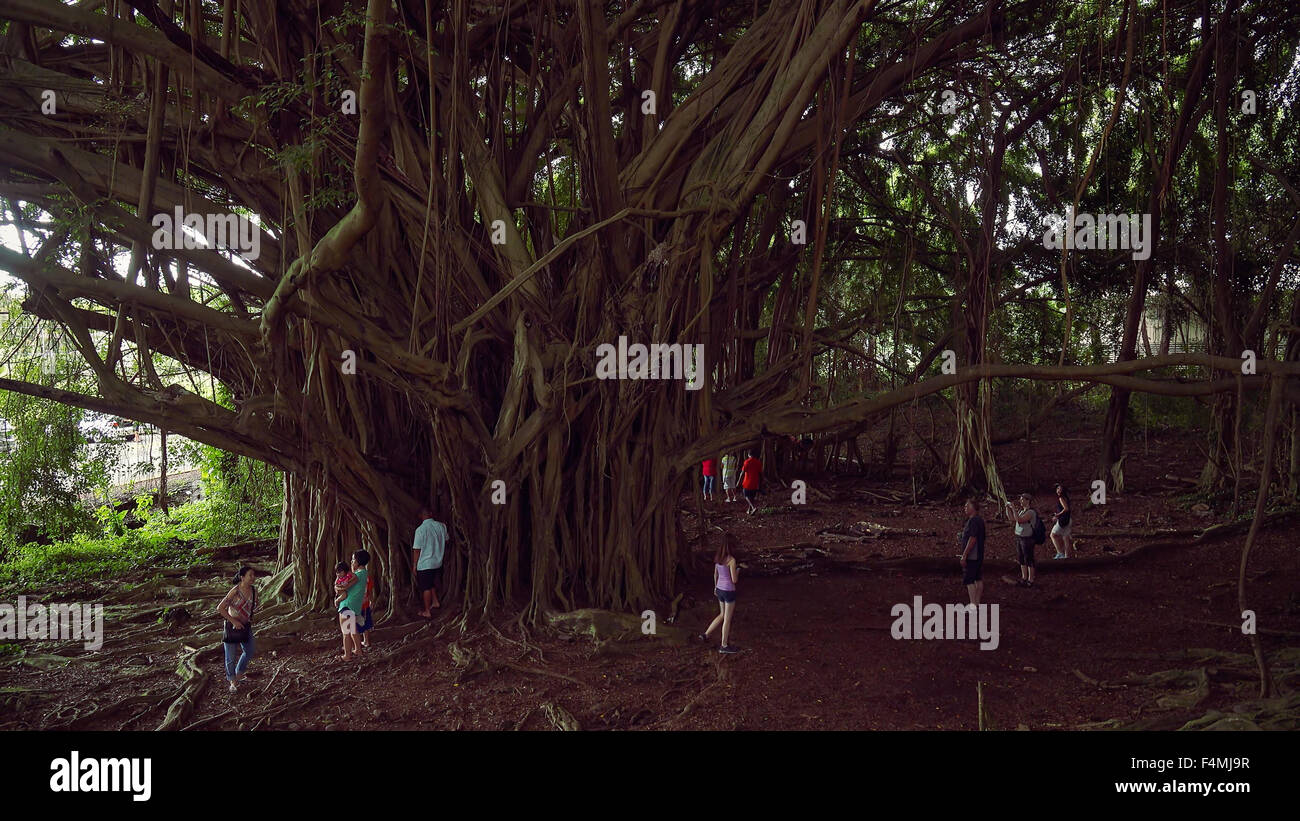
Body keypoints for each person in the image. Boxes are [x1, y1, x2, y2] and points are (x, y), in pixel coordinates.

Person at [217, 566, 258, 692]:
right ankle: (232, 680)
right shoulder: (234, 591)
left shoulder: (253, 590)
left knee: (249, 650)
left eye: (253, 575)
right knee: (230, 656)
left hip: (246, 626)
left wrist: (250, 614)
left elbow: (255, 604)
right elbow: (220, 608)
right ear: (242, 577)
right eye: (250, 575)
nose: (253, 578)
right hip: (232, 627)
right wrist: (234, 621)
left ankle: (239, 673)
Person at [701, 535, 741, 653]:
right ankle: (724, 646)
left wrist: (715, 587)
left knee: (722, 614)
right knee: (727, 619)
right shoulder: (731, 560)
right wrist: (738, 570)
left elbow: (715, 574)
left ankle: (705, 634)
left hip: (719, 589)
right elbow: (734, 580)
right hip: (729, 591)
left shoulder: (718, 558)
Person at [413, 507, 447, 617]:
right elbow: (446, 539)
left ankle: (427, 611)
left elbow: (417, 550)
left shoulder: (420, 530)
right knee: (430, 582)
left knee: (425, 587)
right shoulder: (442, 526)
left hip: (425, 564)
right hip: (438, 562)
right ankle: (435, 602)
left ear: (420, 516)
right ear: (431, 514)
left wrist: (414, 566)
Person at [337, 549, 368, 661]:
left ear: (358, 561)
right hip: (354, 607)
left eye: (353, 559)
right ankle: (358, 650)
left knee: (346, 632)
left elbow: (344, 587)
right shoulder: (364, 573)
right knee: (353, 630)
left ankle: (347, 656)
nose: (351, 562)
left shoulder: (356, 575)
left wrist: (336, 587)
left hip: (346, 606)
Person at [1006, 493, 1038, 588]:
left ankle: (1030, 579)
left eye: (1022, 499)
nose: (1020, 501)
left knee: (1029, 558)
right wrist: (1008, 508)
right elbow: (1012, 519)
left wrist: (1013, 509)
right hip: (1019, 537)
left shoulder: (1031, 512)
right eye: (1020, 499)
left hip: (1027, 538)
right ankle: (1024, 577)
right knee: (1021, 558)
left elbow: (1019, 520)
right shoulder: (1021, 511)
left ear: (1028, 501)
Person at [958, 498, 985, 606]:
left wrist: (964, 555)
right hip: (978, 554)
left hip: (972, 555)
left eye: (967, 506)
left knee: (969, 579)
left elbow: (973, 539)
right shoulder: (979, 520)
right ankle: (977, 602)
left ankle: (973, 604)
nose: (965, 508)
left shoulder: (973, 521)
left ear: (973, 508)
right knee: (977, 578)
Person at [1050, 483, 1073, 559]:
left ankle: (1060, 553)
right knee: (1066, 538)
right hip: (1068, 520)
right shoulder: (1066, 498)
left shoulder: (1061, 498)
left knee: (1053, 535)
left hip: (1063, 521)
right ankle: (1067, 557)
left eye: (1060, 489)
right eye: (1057, 488)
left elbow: (1066, 508)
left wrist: (1057, 515)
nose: (1058, 490)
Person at [740, 450, 763, 515]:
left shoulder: (746, 462)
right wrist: (760, 483)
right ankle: (749, 510)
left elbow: (742, 473)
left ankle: (753, 507)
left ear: (748, 455)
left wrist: (738, 482)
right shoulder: (758, 462)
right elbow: (761, 474)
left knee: (746, 496)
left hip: (747, 483)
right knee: (752, 497)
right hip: (755, 482)